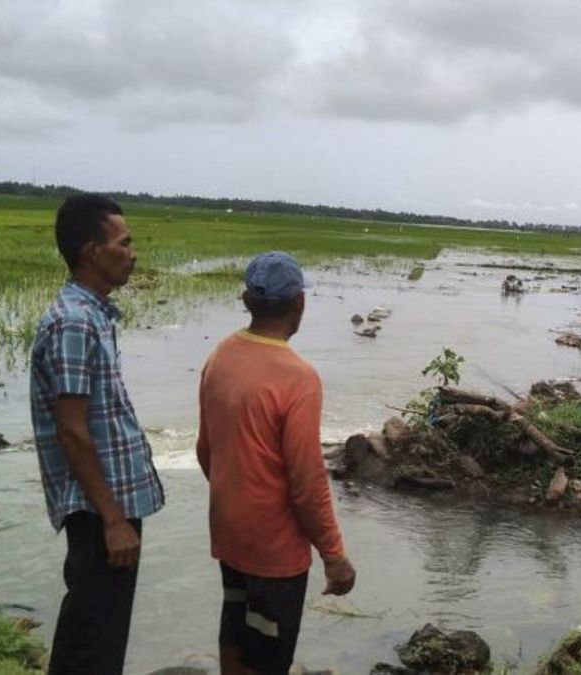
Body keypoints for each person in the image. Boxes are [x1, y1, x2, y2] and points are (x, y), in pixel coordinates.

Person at [197, 251, 356, 675]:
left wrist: (237, 495)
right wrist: (334, 555)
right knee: (268, 651)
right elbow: (307, 483)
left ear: (246, 300)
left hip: (229, 531)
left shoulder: (221, 355)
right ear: (300, 304)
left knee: (235, 627)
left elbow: (205, 449)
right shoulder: (298, 378)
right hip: (274, 548)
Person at [30, 194, 165, 674]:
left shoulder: (93, 316)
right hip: (98, 510)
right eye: (124, 243)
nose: (133, 252)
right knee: (93, 642)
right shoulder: (74, 322)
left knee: (96, 634)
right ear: (93, 250)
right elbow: (72, 431)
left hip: (108, 505)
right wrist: (113, 520)